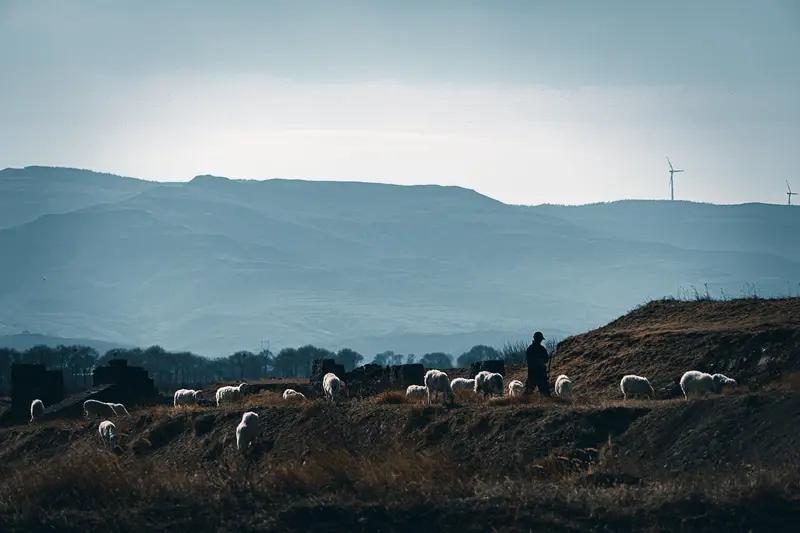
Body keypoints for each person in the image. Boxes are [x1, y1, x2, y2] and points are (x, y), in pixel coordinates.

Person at [526, 331, 550, 396]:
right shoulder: (542, 349)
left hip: (532, 373)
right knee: (545, 393)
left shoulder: (530, 349)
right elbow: (546, 359)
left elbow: (529, 361)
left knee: (528, 393)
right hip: (540, 373)